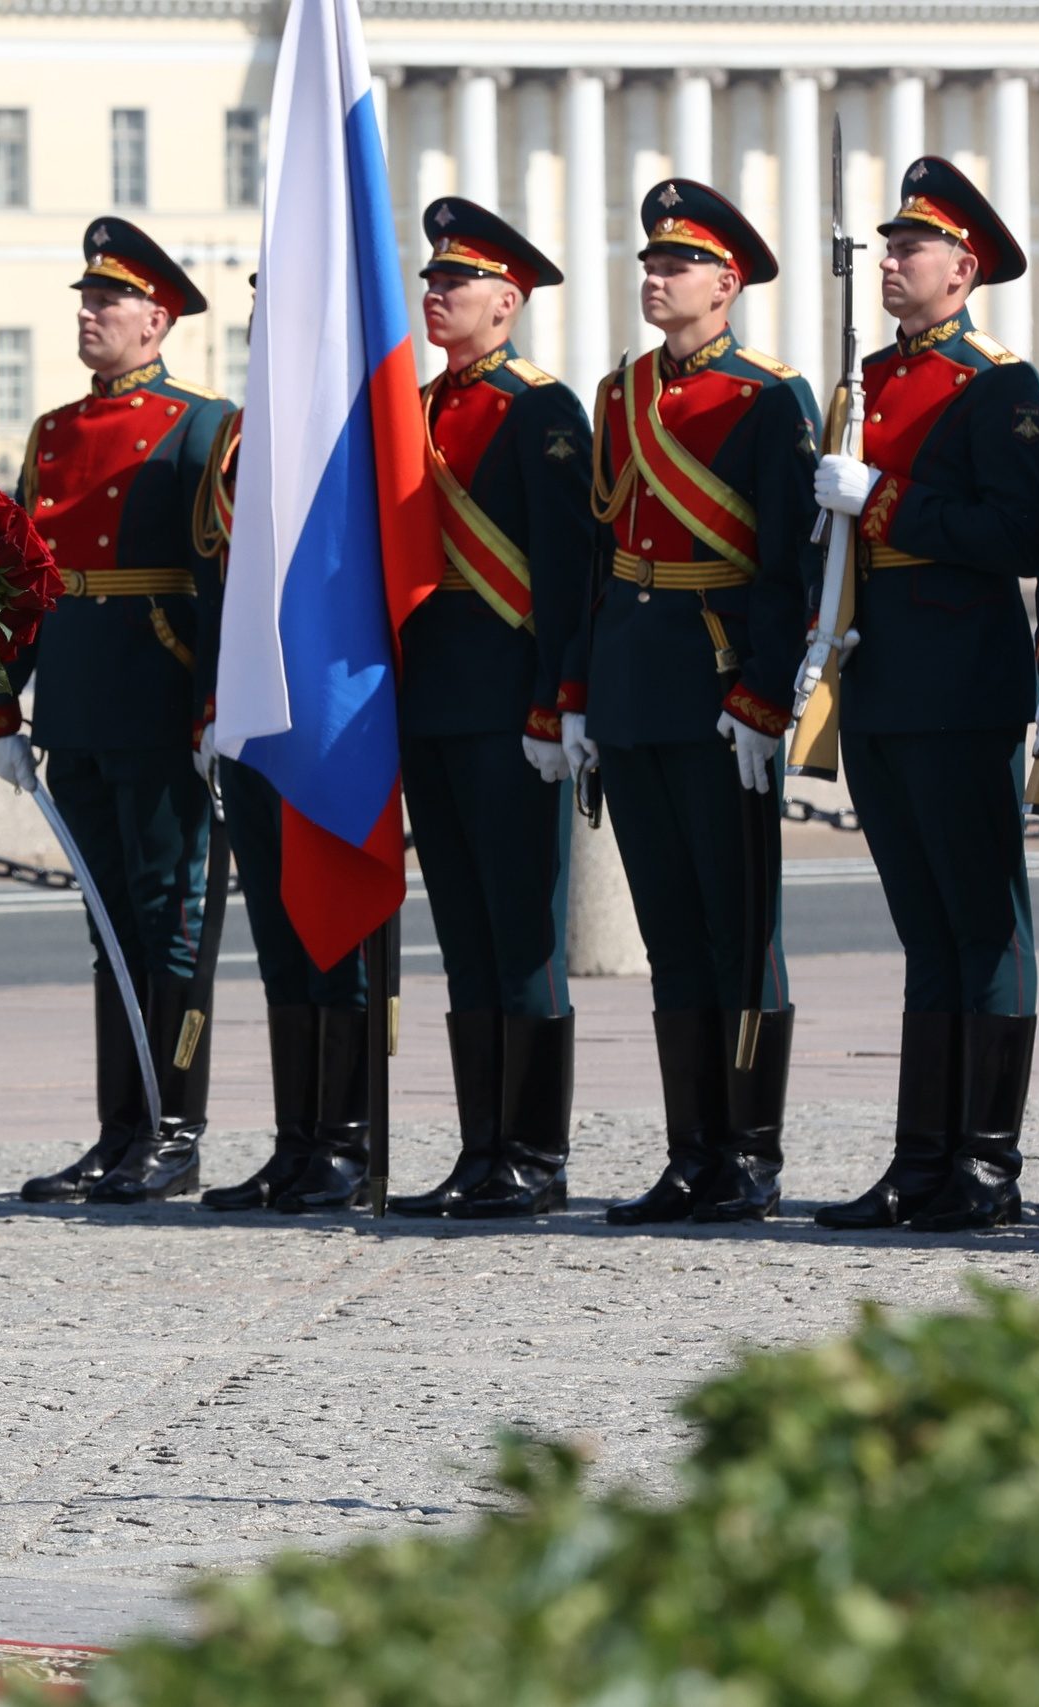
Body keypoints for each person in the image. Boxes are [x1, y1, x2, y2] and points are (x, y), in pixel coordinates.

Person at [808, 158, 1039, 1234]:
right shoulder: (863, 380)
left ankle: (986, 1161)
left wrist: (887, 503)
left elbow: (1020, 535)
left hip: (960, 676)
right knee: (925, 928)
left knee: (981, 923)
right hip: (881, 674)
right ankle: (919, 1158)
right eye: (886, 247)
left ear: (962, 270)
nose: (888, 263)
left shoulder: (997, 386)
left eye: (908, 249)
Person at [568, 180, 818, 1226]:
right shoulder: (620, 393)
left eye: (676, 266)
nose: (654, 278)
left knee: (738, 927)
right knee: (672, 930)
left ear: (727, 284)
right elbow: (598, 553)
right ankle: (691, 1151)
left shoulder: (769, 397)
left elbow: (786, 563)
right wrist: (578, 691)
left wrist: (764, 695)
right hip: (634, 682)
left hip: (720, 684)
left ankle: (750, 1152)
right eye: (648, 263)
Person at [0, 218, 235, 1207]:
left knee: (171, 924)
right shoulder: (52, 434)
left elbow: (221, 579)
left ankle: (177, 1128)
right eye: (85, 300)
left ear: (158, 318)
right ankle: (119, 1130)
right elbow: (17, 582)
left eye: (109, 301)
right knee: (108, 926)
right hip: (78, 704)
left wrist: (216, 701)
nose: (89, 314)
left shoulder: (202, 425)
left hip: (162, 698)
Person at [384, 197, 592, 1221]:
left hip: (512, 702)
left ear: (505, 302)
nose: (436, 295)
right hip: (432, 699)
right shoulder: (416, 409)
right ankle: (480, 1149)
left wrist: (560, 700)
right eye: (431, 281)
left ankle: (536, 1157)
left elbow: (560, 571)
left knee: (522, 933)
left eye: (454, 283)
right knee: (463, 933)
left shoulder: (541, 410)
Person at [192, 279, 375, 1215]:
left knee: (335, 929)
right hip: (256, 716)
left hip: (333, 717)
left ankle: (349, 1139)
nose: (271, 324)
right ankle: (297, 1139)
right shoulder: (242, 435)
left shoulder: (355, 430)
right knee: (280, 938)